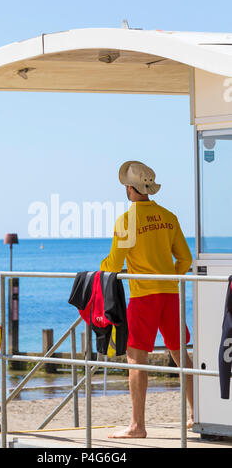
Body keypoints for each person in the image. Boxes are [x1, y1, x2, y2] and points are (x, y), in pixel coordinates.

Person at [100, 161, 193, 439]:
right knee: (180, 354)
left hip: (143, 297)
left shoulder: (126, 221)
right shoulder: (169, 216)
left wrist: (100, 271)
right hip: (170, 294)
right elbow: (185, 259)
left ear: (130, 189)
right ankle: (194, 414)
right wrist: (168, 276)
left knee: (136, 359)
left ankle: (137, 426)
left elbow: (113, 264)